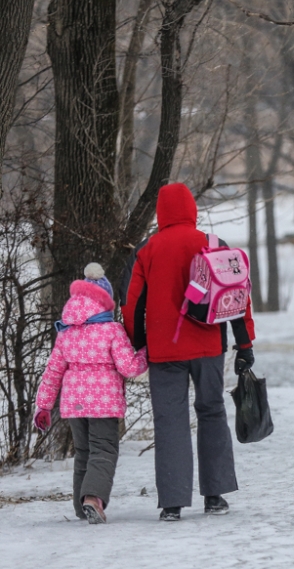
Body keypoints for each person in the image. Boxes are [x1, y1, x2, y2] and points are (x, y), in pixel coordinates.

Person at [122, 182, 256, 522]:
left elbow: (133, 303)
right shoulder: (213, 244)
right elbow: (238, 297)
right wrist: (244, 345)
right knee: (211, 412)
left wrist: (136, 343)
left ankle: (172, 502)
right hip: (209, 345)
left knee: (171, 422)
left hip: (165, 351)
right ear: (192, 209)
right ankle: (216, 495)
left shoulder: (147, 249)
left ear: (161, 212)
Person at [34, 263, 149, 524]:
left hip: (74, 404)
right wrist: (146, 353)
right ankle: (92, 499)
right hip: (104, 403)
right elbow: (129, 367)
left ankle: (80, 505)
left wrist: (43, 406)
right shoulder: (112, 331)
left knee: (84, 453)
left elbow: (52, 373)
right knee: (104, 451)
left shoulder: (66, 333)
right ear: (105, 303)